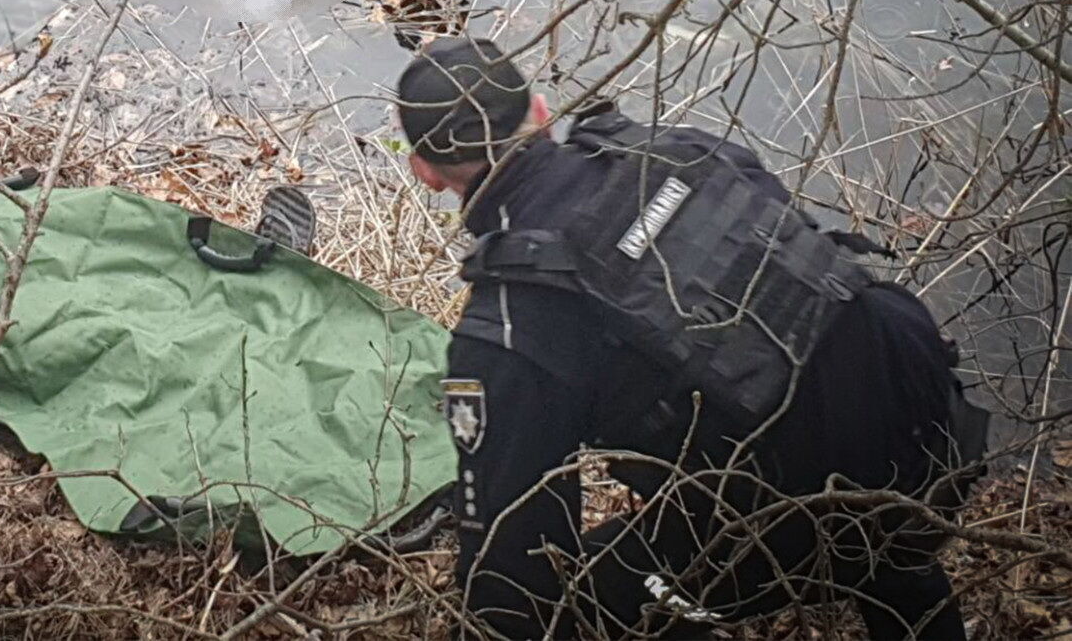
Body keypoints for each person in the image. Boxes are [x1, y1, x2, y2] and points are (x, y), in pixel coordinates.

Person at [395, 37, 989, 640]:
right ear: (543, 112)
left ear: (426, 173)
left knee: (584, 603)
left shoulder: (507, 324)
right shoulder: (678, 150)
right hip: (928, 424)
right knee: (869, 510)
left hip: (803, 509)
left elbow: (513, 550)